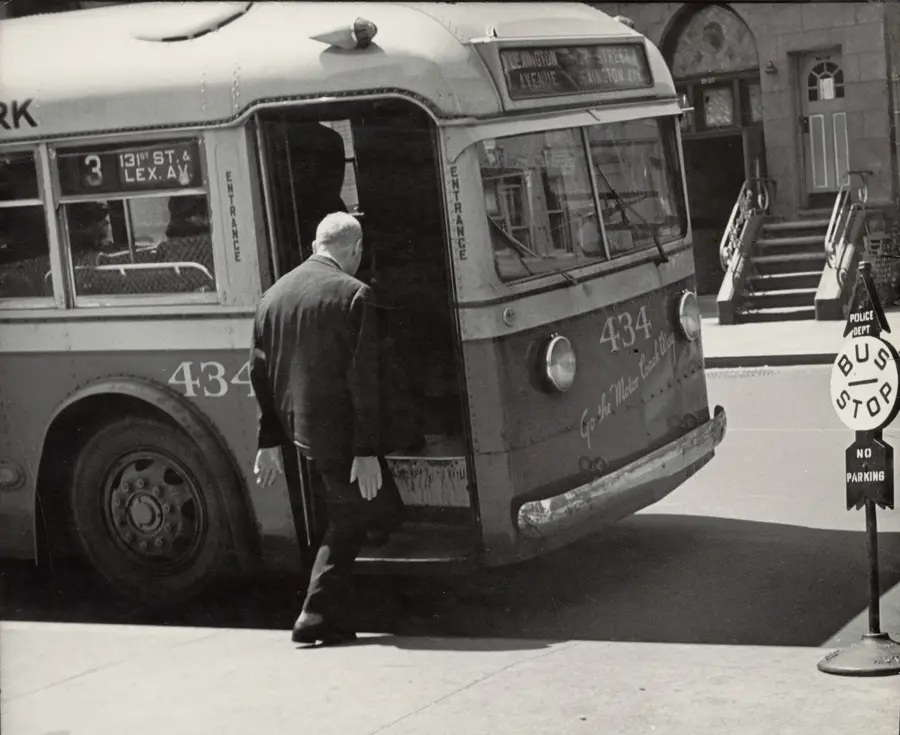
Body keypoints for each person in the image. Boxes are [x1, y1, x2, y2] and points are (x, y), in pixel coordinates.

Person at [249, 211, 404, 646]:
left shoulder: (272, 296)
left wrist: (269, 443)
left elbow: (258, 374)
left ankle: (337, 610)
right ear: (354, 250)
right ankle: (314, 615)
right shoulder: (355, 294)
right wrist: (367, 450)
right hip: (340, 436)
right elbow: (365, 381)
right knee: (350, 519)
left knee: (366, 508)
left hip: (300, 432)